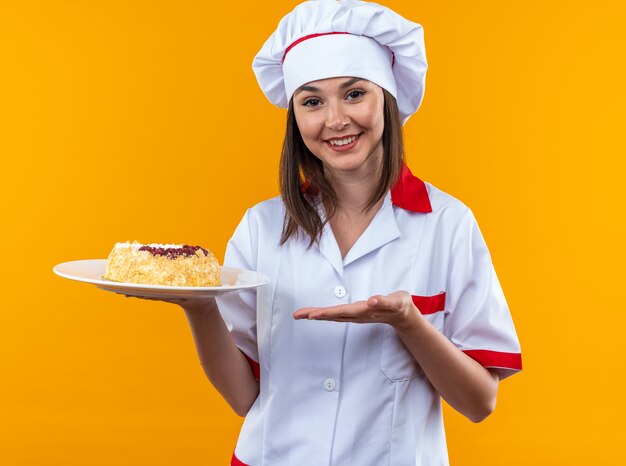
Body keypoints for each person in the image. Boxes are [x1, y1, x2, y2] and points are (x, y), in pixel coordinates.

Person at [128, 1, 522, 465]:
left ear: (387, 100)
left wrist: (408, 322)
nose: (335, 120)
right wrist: (198, 308)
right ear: (295, 116)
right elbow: (242, 397)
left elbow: (479, 403)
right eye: (312, 101)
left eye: (354, 93)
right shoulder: (262, 227)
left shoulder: (448, 224)